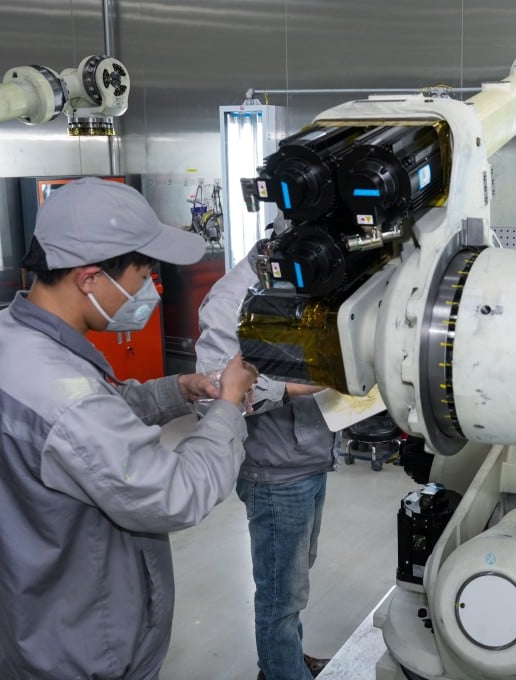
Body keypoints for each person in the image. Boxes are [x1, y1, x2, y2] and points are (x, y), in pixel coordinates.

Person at [0, 177, 259, 679]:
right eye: (142, 275)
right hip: (81, 651)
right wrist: (229, 405)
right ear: (90, 278)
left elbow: (91, 419)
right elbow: (176, 494)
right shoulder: (63, 397)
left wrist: (178, 388)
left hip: (25, 618)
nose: (147, 290)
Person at [196, 238, 337, 680]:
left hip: (311, 454)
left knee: (293, 580)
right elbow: (218, 392)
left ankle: (284, 660)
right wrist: (309, 381)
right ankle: (282, 674)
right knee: (281, 592)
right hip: (275, 471)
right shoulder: (229, 301)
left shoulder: (303, 281)